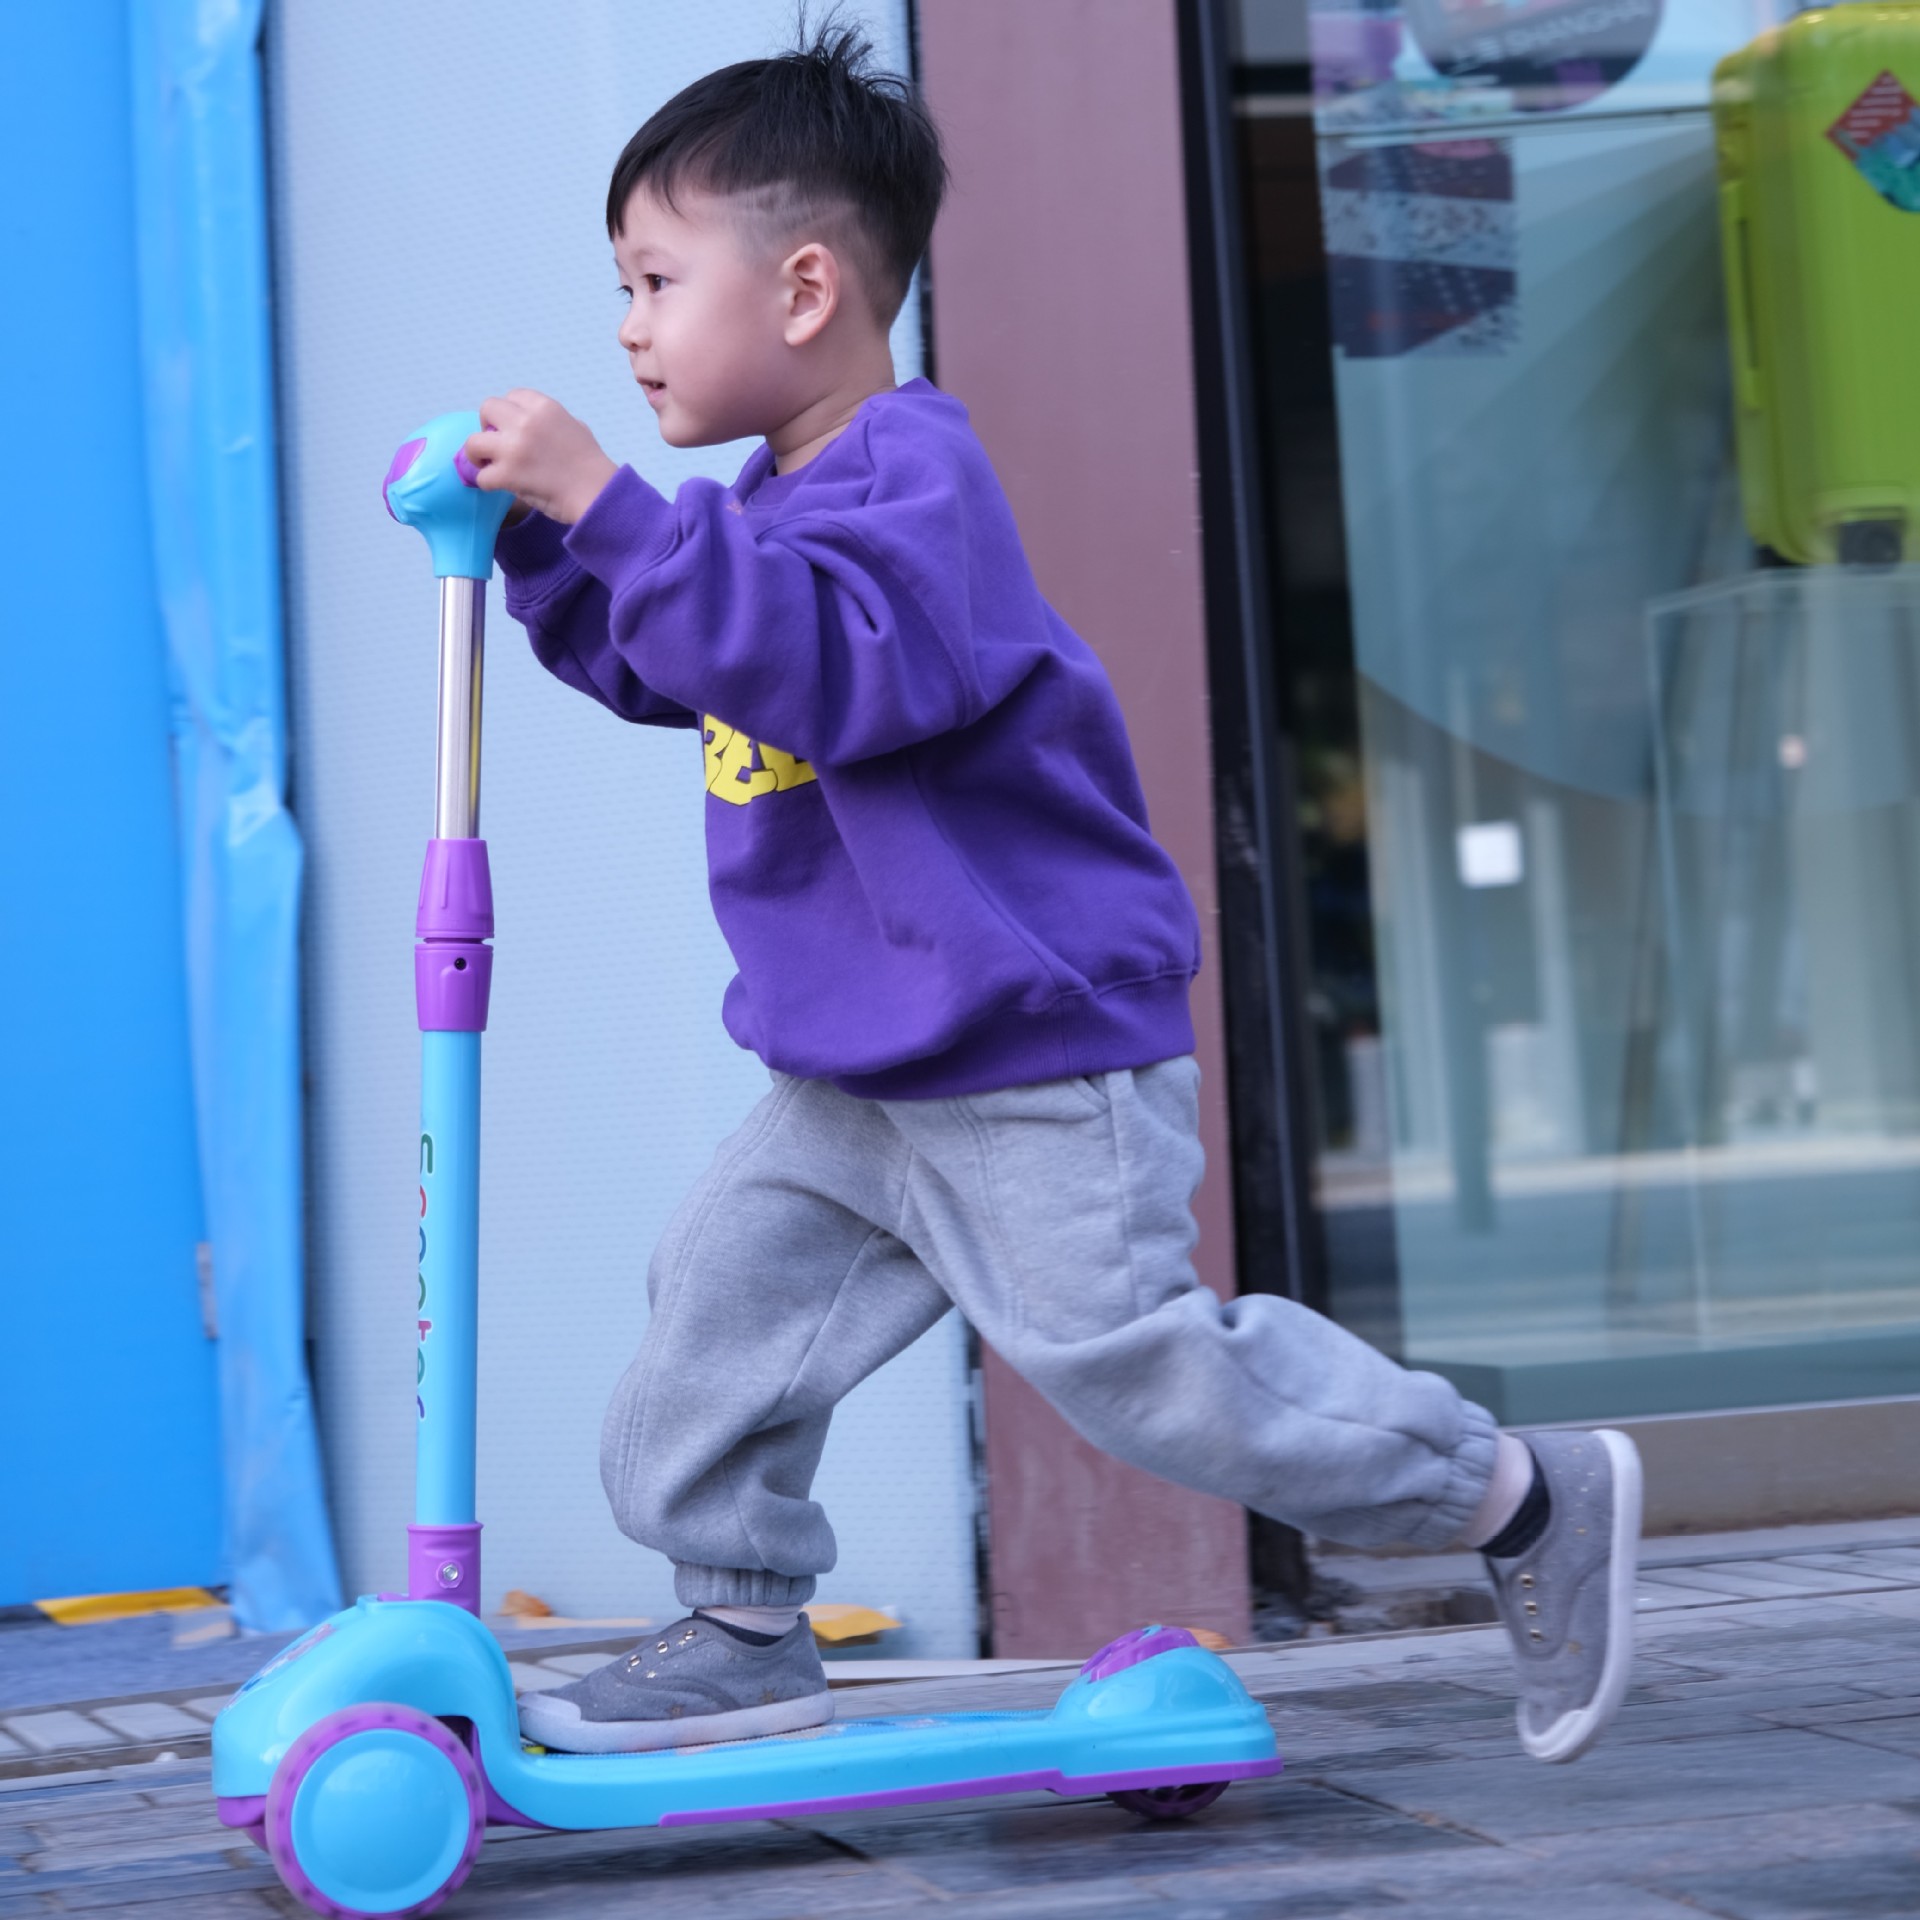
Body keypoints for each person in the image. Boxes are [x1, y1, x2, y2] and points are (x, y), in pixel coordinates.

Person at [466, 22, 1641, 1767]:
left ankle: (1514, 1494)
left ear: (802, 290)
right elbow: (683, 661)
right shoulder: (756, 509)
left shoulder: (915, 483)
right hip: (856, 1066)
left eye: (651, 279)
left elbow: (816, 669)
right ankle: (734, 1622)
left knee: (1137, 1364)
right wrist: (549, 551)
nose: (628, 326)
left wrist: (612, 507)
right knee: (715, 1313)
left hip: (1027, 1058)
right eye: (620, 288)